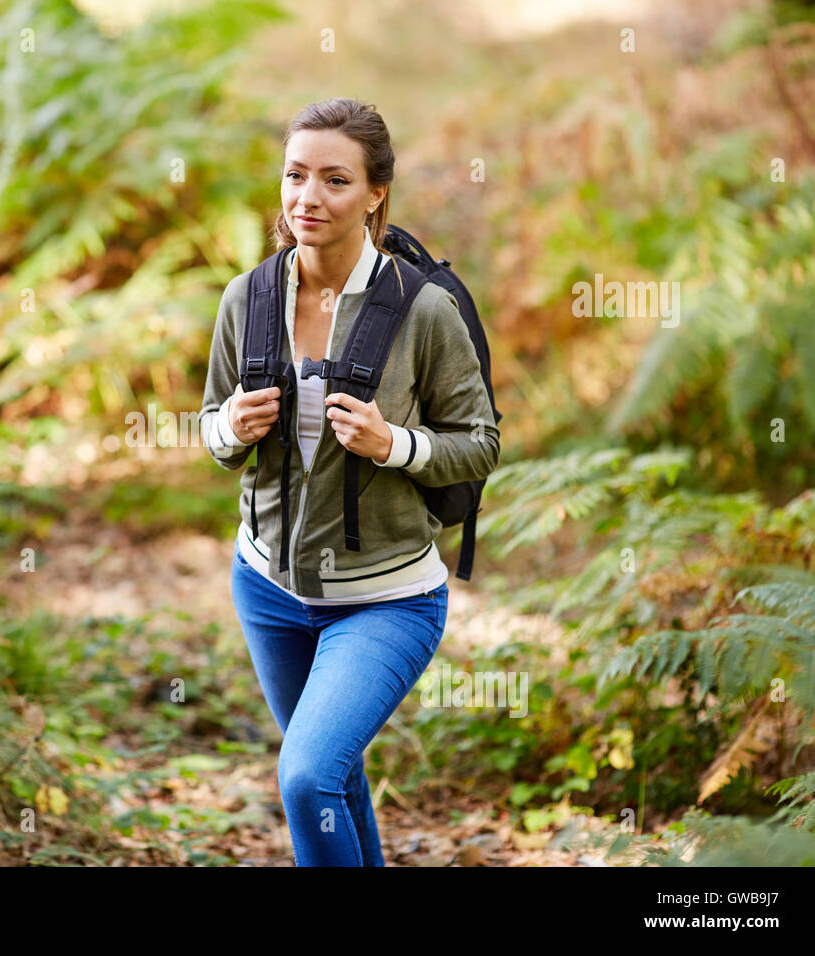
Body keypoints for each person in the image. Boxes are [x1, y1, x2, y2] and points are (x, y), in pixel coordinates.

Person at [198, 98, 501, 866]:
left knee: (305, 779)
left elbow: (480, 443)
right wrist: (230, 428)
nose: (308, 197)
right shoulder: (248, 298)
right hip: (267, 590)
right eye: (296, 175)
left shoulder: (423, 311)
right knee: (336, 777)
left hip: (387, 599)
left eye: (335, 179)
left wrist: (393, 443)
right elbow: (210, 429)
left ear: (375, 195)